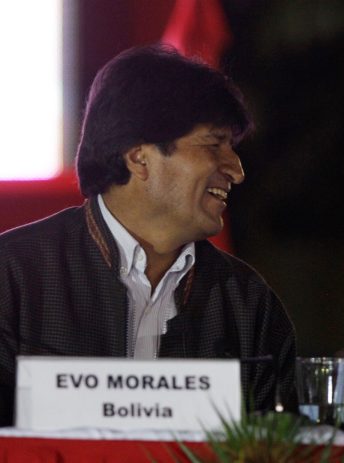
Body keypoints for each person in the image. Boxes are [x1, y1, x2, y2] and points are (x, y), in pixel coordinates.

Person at [0, 45, 297, 426]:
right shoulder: (15, 276)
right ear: (139, 157)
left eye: (233, 147)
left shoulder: (246, 303)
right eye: (213, 144)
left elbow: (282, 445)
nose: (236, 170)